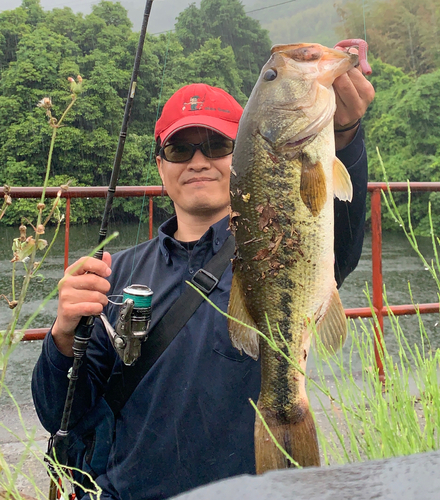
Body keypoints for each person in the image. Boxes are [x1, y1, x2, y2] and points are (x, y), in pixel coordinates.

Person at [32, 59, 375, 499]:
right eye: (180, 149)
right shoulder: (113, 275)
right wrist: (62, 336)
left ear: (245, 152)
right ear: (161, 166)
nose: (198, 160)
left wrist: (344, 134)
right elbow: (60, 412)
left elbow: (335, 233)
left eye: (215, 144)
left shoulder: (278, 246)